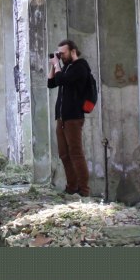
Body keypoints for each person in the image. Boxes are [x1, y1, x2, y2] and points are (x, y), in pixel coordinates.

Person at [47, 39, 93, 197]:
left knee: (76, 153)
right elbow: (51, 83)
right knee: (64, 154)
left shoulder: (81, 66)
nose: (61, 56)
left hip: (73, 117)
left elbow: (63, 80)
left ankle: (84, 191)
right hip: (61, 117)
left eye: (63, 53)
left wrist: (57, 65)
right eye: (59, 53)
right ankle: (71, 187)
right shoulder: (65, 67)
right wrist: (54, 64)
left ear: (73, 51)